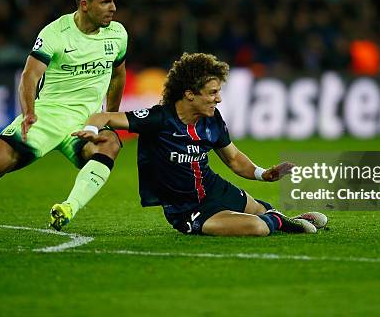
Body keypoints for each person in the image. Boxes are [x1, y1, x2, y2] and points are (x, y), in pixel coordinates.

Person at [0, 0, 128, 241]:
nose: (113, 8)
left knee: (110, 144)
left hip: (85, 120)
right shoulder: (56, 33)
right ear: (85, 4)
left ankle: (69, 208)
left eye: (114, 1)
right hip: (47, 115)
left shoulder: (117, 35)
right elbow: (29, 76)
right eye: (106, 2)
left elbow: (118, 75)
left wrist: (109, 117)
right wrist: (29, 112)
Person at [71, 53, 327, 236]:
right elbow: (104, 116)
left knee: (260, 209)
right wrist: (92, 129)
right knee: (256, 227)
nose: (219, 98)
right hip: (186, 209)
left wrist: (263, 174)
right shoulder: (159, 118)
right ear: (189, 94)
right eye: (212, 92)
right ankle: (282, 223)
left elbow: (234, 159)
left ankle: (284, 220)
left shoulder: (212, 120)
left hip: (214, 188)